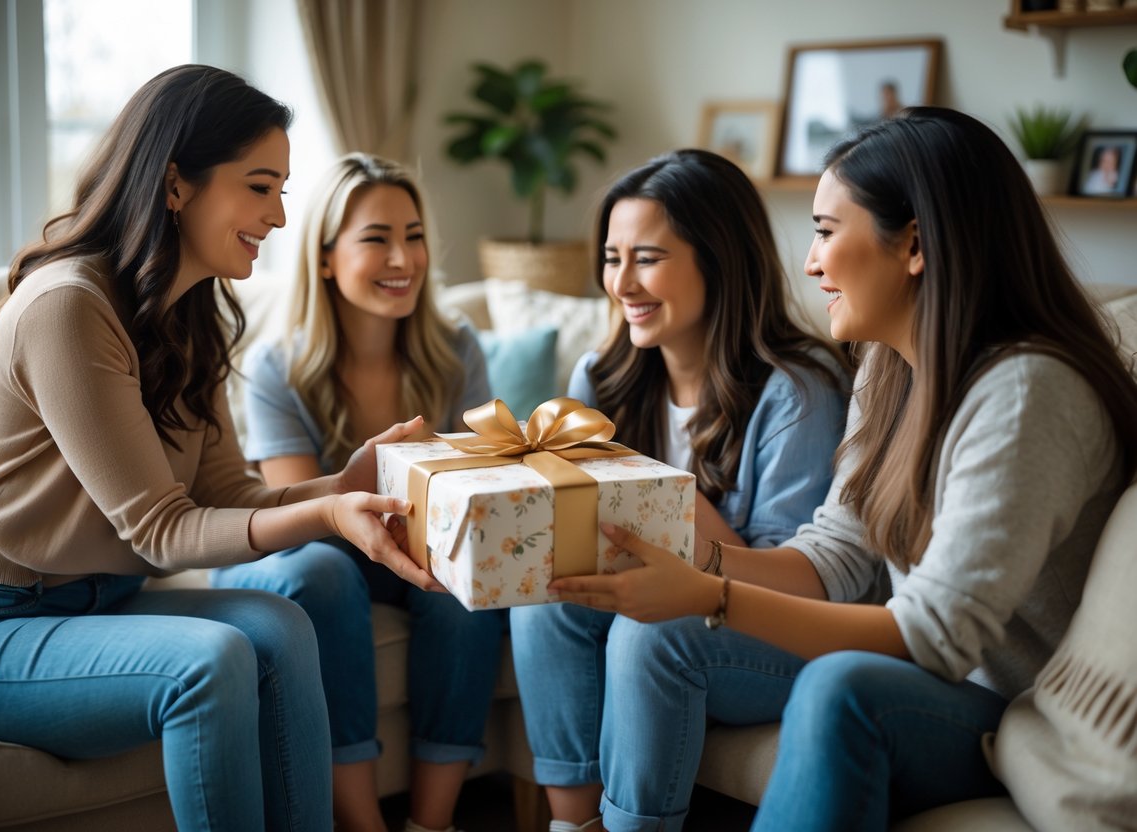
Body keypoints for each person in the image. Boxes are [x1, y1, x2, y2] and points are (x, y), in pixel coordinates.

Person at [548, 107, 1137, 832]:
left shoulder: (1025, 393)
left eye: (826, 231)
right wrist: (691, 561)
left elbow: (936, 636)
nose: (809, 261)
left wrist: (711, 592)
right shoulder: (887, 369)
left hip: (1005, 703)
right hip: (929, 669)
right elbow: (833, 555)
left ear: (913, 244)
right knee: (651, 628)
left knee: (840, 687)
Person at [0, 65, 428, 831]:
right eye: (260, 187)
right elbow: (161, 530)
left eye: (282, 190)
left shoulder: (193, 316)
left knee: (282, 624)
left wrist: (339, 484)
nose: (280, 217)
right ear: (174, 185)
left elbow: (227, 493)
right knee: (212, 662)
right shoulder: (69, 306)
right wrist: (328, 516)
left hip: (99, 605)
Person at [509, 148, 852, 832]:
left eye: (647, 257)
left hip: (765, 629)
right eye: (611, 258)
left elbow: (795, 585)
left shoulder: (797, 387)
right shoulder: (602, 378)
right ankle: (571, 823)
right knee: (544, 598)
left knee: (650, 630)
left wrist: (658, 492)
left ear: (717, 259)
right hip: (663, 609)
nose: (622, 283)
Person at [215, 152, 505, 832]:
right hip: (314, 546)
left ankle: (431, 824)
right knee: (323, 572)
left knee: (467, 583)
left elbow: (478, 482)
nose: (403, 258)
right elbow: (299, 508)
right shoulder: (277, 366)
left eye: (414, 236)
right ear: (324, 258)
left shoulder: (456, 347)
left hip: (413, 542)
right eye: (376, 238)